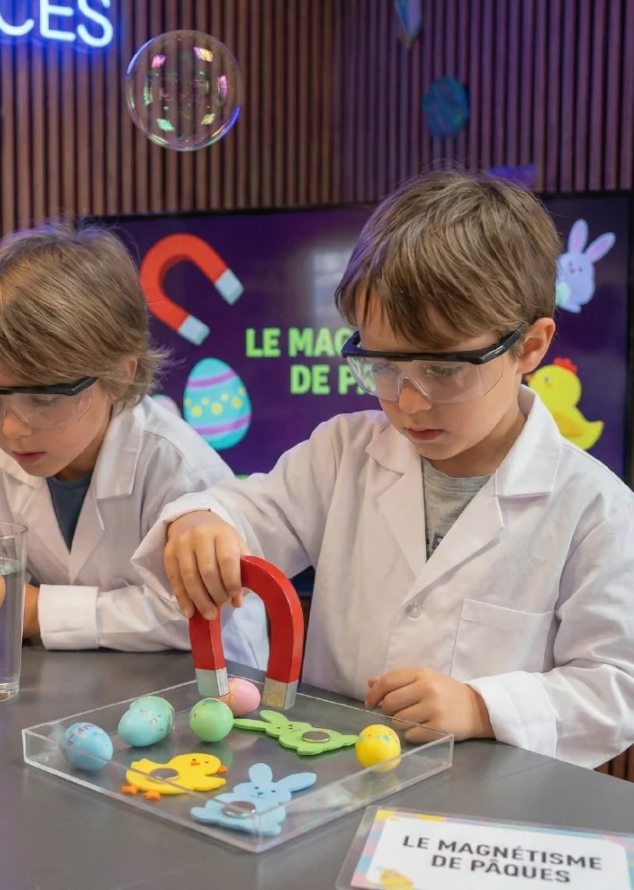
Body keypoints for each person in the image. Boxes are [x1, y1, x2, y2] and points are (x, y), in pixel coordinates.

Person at [133, 170, 634, 768]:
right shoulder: (343, 452)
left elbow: (615, 688)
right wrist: (202, 520)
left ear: (530, 347)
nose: (409, 401)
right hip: (329, 774)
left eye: (445, 370)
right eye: (384, 365)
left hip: (483, 801)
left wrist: (483, 707)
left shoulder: (596, 509)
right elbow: (251, 513)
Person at [0, 221, 269, 665]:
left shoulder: (178, 466)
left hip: (206, 682)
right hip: (78, 678)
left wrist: (36, 613)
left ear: (120, 375)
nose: (13, 428)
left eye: (43, 398)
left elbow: (191, 612)